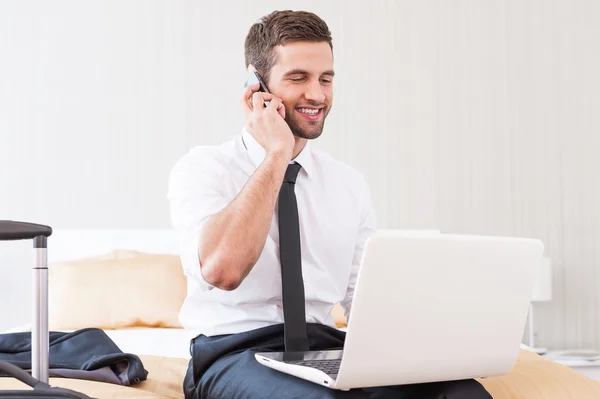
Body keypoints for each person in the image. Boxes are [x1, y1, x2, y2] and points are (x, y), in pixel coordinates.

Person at [168, 10, 491, 399]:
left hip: (327, 349)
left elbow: (363, 302)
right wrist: (277, 156)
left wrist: (431, 353)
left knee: (460, 392)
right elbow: (224, 270)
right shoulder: (203, 168)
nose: (317, 95)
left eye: (326, 79)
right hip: (234, 353)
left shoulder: (347, 183)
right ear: (256, 86)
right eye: (298, 78)